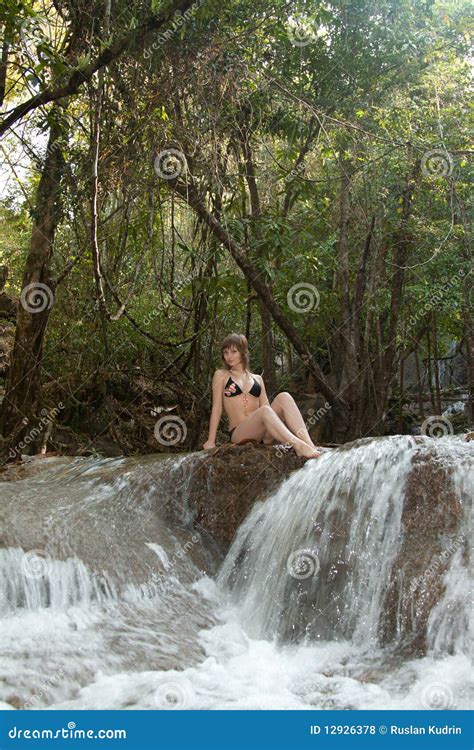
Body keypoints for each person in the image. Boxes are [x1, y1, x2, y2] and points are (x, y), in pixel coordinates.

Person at [203, 333, 321, 459]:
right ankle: (298, 445)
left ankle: (309, 443)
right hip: (240, 433)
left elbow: (267, 408)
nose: (229, 356)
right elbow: (217, 408)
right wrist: (211, 441)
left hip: (263, 434)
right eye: (226, 352)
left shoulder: (258, 379)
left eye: (234, 351)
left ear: (243, 352)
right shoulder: (221, 375)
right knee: (264, 411)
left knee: (284, 397)